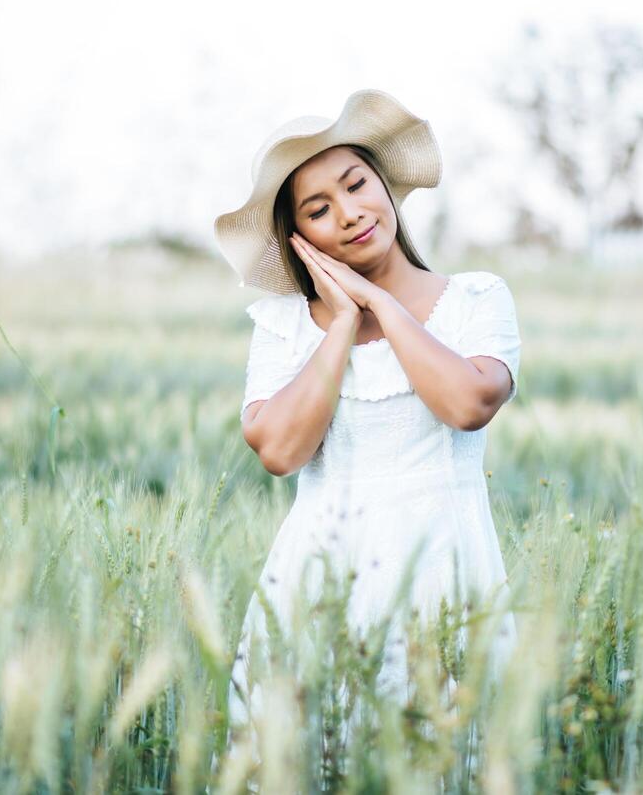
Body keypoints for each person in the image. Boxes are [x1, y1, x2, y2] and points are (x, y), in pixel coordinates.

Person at [213, 88, 521, 753]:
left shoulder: (475, 299)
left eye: (355, 185)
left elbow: (465, 404)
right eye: (319, 210)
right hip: (316, 582)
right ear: (299, 240)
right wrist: (342, 323)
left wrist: (380, 300)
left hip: (446, 576)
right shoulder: (284, 328)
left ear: (383, 184)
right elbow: (278, 450)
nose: (349, 214)